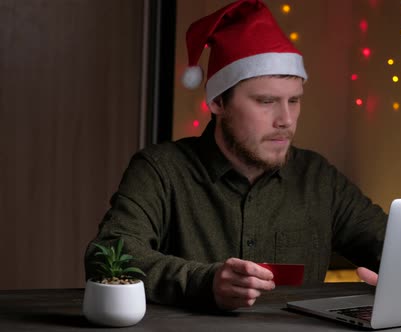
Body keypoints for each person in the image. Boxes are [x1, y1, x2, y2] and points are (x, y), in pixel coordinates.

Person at [84, 0, 385, 311]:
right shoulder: (161, 170)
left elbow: (391, 246)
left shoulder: (318, 178)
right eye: (266, 101)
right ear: (217, 102)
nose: (286, 119)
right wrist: (204, 282)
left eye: (294, 101)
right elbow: (109, 256)